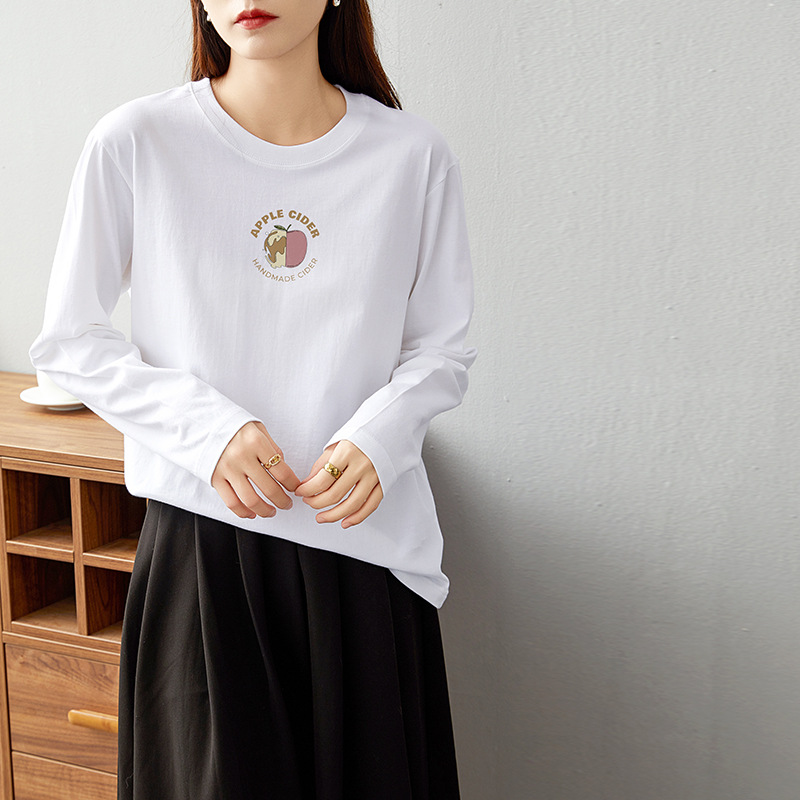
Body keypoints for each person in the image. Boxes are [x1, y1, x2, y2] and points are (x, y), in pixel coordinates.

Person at [29, 1, 477, 797]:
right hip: (204, 552)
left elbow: (441, 348)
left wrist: (379, 437)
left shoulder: (411, 155)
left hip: (366, 548)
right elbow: (71, 342)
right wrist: (209, 432)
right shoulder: (137, 141)